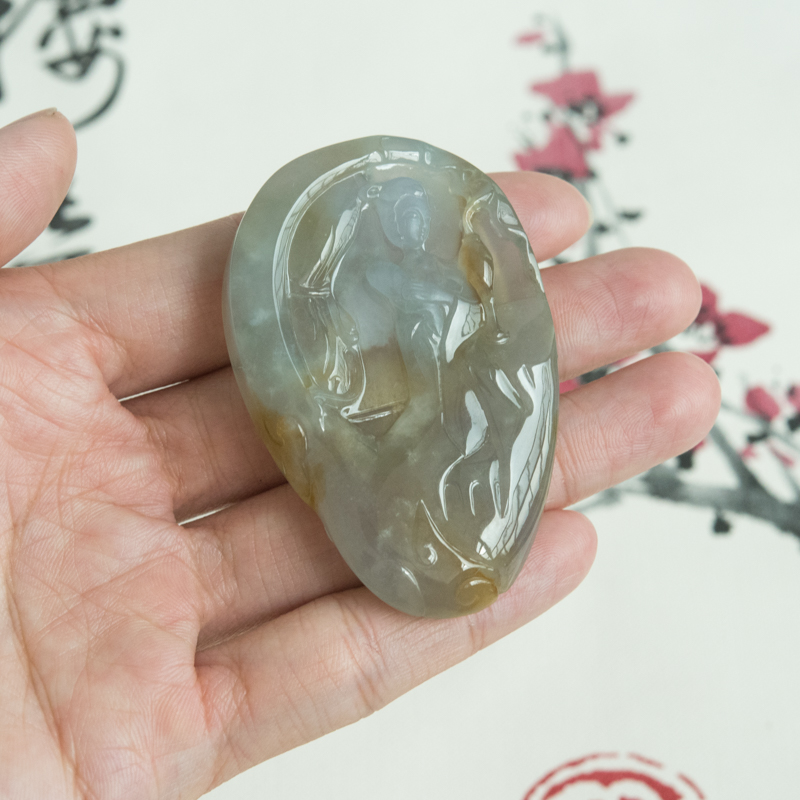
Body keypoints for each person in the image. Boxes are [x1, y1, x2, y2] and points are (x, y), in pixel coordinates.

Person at [0, 109, 720, 799]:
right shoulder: (366, 275)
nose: (410, 226)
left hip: (462, 395)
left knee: (464, 467)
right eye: (398, 217)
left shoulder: (451, 272)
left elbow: (486, 334)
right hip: (391, 405)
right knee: (411, 476)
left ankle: (450, 536)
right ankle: (432, 533)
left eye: (416, 216)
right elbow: (326, 315)